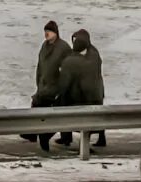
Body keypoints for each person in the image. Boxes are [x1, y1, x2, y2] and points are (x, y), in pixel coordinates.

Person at [54, 28, 107, 150]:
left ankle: (67, 137)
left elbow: (65, 83)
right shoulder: (94, 53)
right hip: (96, 93)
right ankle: (101, 138)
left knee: (64, 106)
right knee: (97, 114)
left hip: (82, 96)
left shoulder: (72, 61)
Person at [29, 20, 70, 151]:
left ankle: (43, 136)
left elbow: (68, 69)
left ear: (56, 33)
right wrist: (39, 83)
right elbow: (40, 66)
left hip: (54, 88)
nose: (46, 34)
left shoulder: (63, 47)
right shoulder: (44, 46)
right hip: (43, 86)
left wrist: (61, 88)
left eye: (49, 31)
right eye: (45, 31)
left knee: (50, 114)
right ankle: (31, 133)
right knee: (36, 105)